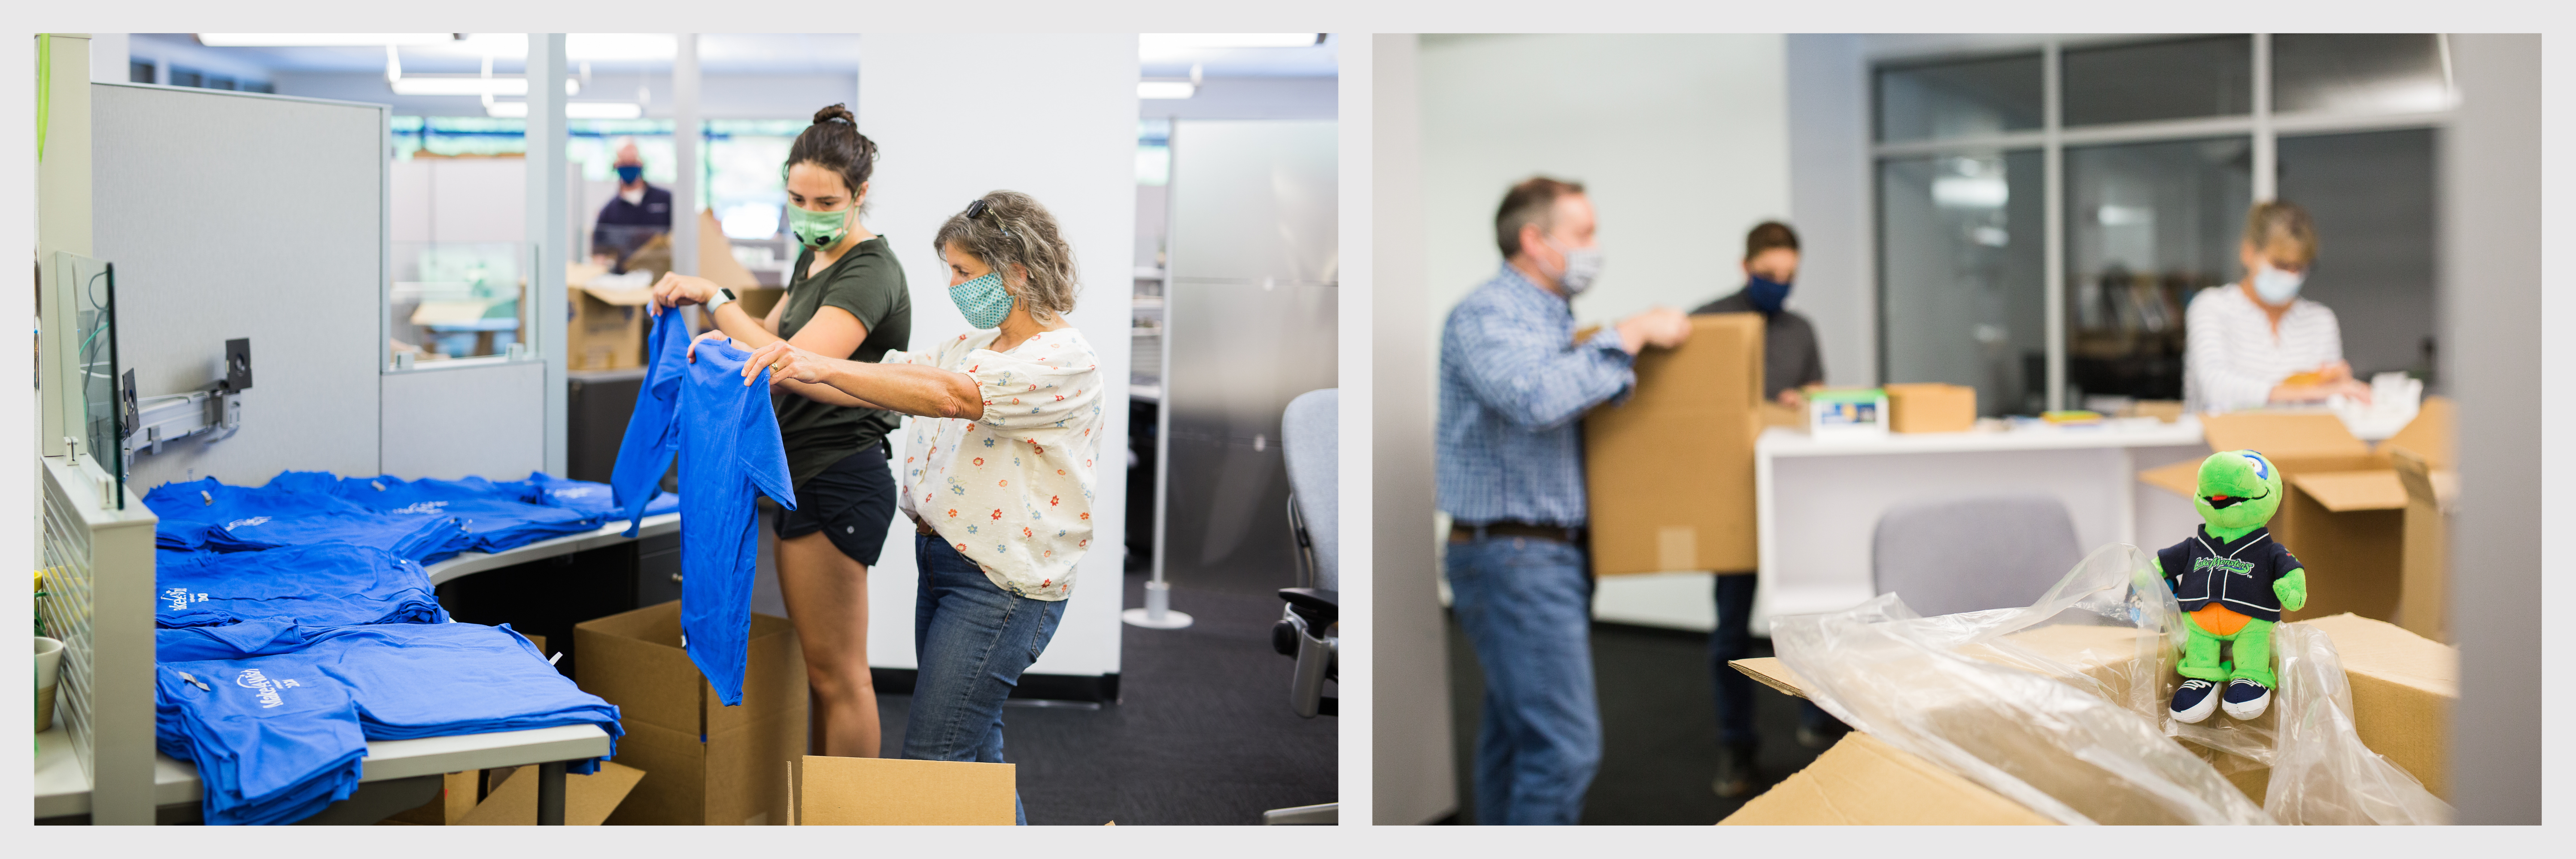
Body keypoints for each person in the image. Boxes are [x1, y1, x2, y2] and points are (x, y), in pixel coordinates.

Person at [738, 190, 1101, 826]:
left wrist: (811, 362)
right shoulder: (976, 345)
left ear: (1017, 269)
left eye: (965, 272)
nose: (955, 285)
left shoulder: (1062, 360)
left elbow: (950, 397)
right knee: (974, 756)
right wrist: (778, 361)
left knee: (936, 760)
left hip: (1001, 584)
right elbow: (890, 376)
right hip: (947, 563)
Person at [645, 104, 910, 761]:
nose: (809, 212)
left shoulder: (869, 271)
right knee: (822, 676)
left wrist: (715, 299)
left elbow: (787, 365)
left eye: (826, 201)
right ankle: (825, 813)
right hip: (806, 474)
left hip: (839, 476)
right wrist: (712, 337)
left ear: (861, 196)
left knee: (839, 676)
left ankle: (844, 821)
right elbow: (771, 331)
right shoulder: (814, 258)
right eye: (797, 198)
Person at [1438, 177, 1692, 825]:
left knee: (1517, 736)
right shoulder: (1488, 314)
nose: (1595, 248)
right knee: (1565, 748)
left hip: (1542, 555)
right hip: (1515, 558)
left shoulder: (1551, 319)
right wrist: (1630, 334)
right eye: (1583, 235)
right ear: (1534, 240)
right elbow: (1534, 399)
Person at [1691, 221, 1844, 798]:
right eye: (1769, 275)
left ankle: (1817, 720)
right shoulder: (1709, 323)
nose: (1779, 285)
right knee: (1731, 631)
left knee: (1807, 618)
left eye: (1789, 276)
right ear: (1745, 267)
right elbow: (1689, 405)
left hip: (1791, 498)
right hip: (1730, 496)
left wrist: (1805, 401)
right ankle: (1737, 747)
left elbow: (1820, 394)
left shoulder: (1801, 329)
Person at [2184, 200, 2370, 413]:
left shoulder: (2321, 320)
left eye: (2299, 267)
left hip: (2297, 444)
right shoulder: (2212, 307)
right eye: (2281, 265)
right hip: (2221, 445)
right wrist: (2313, 392)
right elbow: (2215, 388)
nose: (2290, 276)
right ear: (2249, 253)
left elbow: (2330, 404)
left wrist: (2339, 389)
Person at [593, 139, 675, 271]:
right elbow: (599, 253)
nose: (629, 166)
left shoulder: (666, 200)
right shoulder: (609, 211)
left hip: (663, 274)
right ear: (616, 166)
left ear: (641, 163)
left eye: (632, 161)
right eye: (624, 162)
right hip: (625, 279)